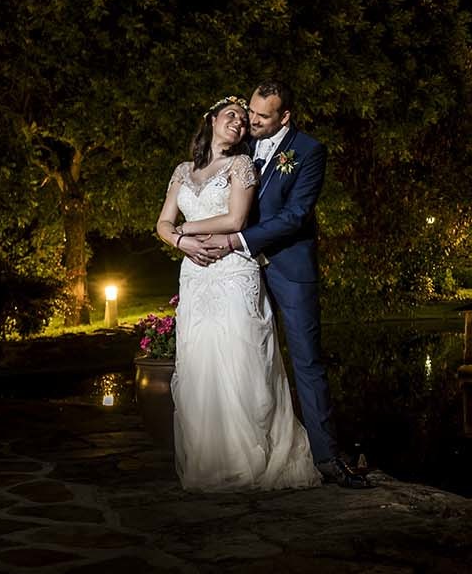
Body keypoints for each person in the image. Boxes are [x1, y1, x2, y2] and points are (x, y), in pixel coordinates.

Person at [184, 81, 370, 488]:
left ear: (284, 117)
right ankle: (250, 450)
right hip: (238, 273)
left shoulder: (309, 152)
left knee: (306, 360)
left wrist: (237, 239)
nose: (251, 121)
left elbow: (296, 215)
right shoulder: (243, 146)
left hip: (288, 268)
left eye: (262, 116)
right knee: (245, 358)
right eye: (250, 112)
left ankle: (325, 456)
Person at [155, 95, 320, 491]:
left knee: (241, 358)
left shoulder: (241, 165)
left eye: (245, 122)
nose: (239, 124)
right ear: (210, 119)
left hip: (233, 273)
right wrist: (180, 244)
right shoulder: (181, 171)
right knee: (201, 361)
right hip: (195, 275)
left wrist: (185, 231)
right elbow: (162, 222)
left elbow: (235, 219)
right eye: (232, 116)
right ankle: (212, 460)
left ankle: (255, 457)